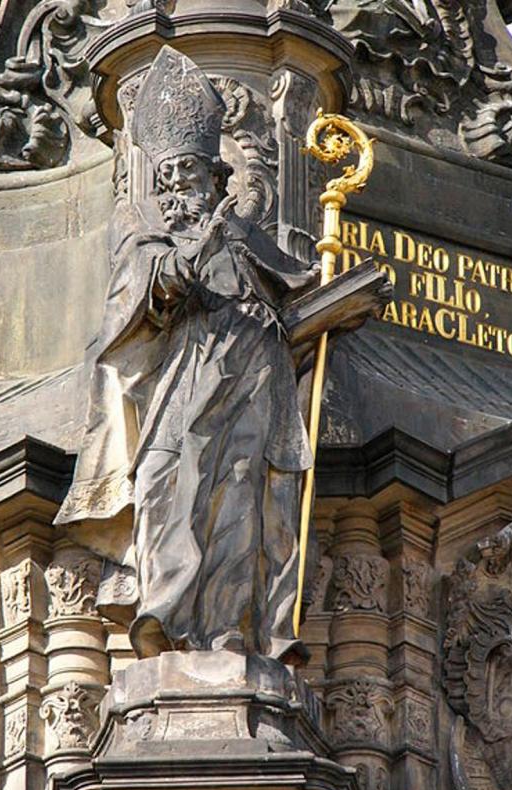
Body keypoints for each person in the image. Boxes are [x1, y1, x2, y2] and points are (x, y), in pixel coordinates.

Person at [55, 47, 320, 665]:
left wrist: (348, 299)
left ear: (217, 181)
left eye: (190, 181)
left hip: (251, 384)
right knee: (160, 486)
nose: (177, 194)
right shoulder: (154, 245)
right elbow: (139, 298)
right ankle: (165, 613)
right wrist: (185, 262)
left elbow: (300, 294)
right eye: (167, 183)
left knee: (239, 498)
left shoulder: (244, 239)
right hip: (176, 396)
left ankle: (230, 634)